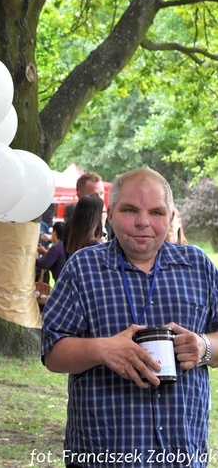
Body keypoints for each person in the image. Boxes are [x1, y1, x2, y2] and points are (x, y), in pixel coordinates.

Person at [42, 167, 218, 468]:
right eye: (130, 210)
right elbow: (52, 353)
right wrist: (102, 350)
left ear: (170, 217)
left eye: (156, 212)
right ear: (110, 215)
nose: (143, 222)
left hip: (182, 454)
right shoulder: (83, 268)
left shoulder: (198, 266)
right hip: (101, 454)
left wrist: (204, 347)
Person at [76, 170, 113, 240]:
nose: (100, 199)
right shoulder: (74, 226)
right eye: (94, 195)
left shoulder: (110, 221)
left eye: (101, 194)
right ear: (79, 196)